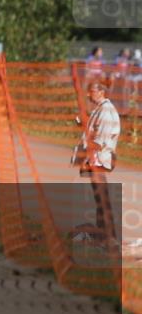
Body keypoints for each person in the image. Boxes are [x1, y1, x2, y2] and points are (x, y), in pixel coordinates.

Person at [71, 81, 121, 246]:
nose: (88, 94)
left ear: (101, 92)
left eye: (91, 91)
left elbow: (100, 140)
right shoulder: (100, 109)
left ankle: (109, 237)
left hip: (98, 161)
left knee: (102, 199)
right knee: (100, 199)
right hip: (96, 159)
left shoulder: (106, 111)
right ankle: (104, 235)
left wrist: (90, 161)